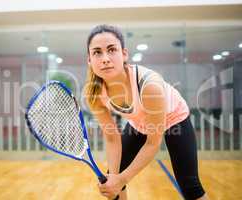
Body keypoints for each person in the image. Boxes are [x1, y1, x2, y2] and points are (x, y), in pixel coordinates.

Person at [84, 24, 208, 200]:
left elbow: (152, 143)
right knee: (112, 180)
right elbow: (112, 137)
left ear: (124, 54)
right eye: (97, 52)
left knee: (190, 187)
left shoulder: (149, 85)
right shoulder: (94, 93)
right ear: (89, 59)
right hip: (138, 122)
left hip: (174, 118)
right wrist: (115, 177)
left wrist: (122, 179)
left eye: (112, 50)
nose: (105, 58)